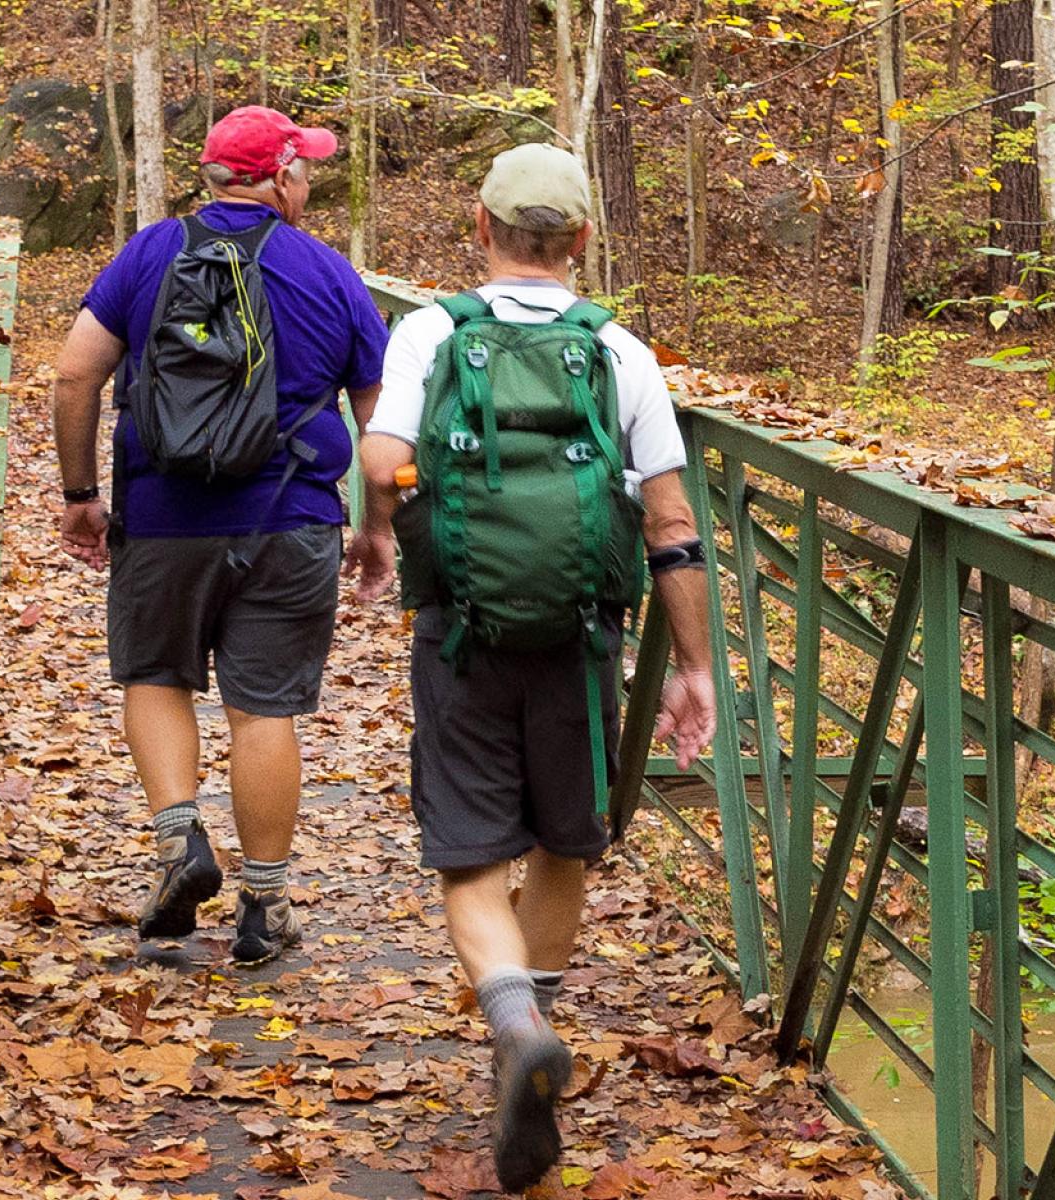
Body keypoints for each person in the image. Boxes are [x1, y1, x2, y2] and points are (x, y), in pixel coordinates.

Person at [351, 143, 715, 1191]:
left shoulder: (431, 330)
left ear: (481, 227)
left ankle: (508, 1021)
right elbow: (672, 522)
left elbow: (381, 459)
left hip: (461, 630)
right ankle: (533, 1036)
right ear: (583, 242)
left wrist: (388, 518)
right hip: (581, 638)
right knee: (567, 841)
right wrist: (689, 666)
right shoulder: (620, 353)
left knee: (469, 854)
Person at [49, 105, 391, 967]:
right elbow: (379, 425)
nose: (309, 182)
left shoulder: (148, 254)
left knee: (157, 676)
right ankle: (264, 906)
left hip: (163, 518)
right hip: (292, 519)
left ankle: (178, 845)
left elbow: (73, 375)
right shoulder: (330, 272)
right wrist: (375, 527)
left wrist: (82, 495)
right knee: (264, 708)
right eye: (305, 169)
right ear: (278, 178)